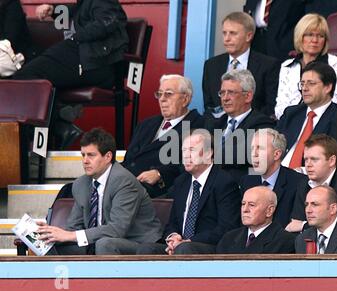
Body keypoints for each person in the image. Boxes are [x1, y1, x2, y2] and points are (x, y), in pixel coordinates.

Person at [13, 0, 129, 148]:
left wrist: (76, 37)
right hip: (84, 58)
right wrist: (53, 10)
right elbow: (78, 12)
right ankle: (58, 127)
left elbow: (107, 21)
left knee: (27, 78)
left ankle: (56, 132)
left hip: (94, 64)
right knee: (29, 78)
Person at [37, 128, 163, 255]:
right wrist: (52, 233)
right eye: (83, 155)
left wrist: (70, 235)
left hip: (138, 243)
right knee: (51, 244)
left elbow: (117, 229)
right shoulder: (81, 184)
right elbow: (74, 227)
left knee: (104, 243)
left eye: (91, 155)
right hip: (99, 241)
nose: (85, 161)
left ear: (108, 156)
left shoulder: (124, 181)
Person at [137, 131, 241, 255]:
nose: (186, 155)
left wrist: (188, 241)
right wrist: (173, 237)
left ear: (208, 153)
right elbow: (172, 223)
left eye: (191, 150)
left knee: (185, 249)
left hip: (209, 247)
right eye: (184, 150)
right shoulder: (182, 182)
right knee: (146, 249)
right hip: (180, 246)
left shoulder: (224, 182)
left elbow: (227, 228)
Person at [122, 74, 202, 198]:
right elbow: (129, 160)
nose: (162, 99)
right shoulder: (146, 124)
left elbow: (190, 165)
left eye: (168, 94)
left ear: (185, 99)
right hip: (127, 181)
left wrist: (159, 173)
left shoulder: (198, 125)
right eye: (159, 94)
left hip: (159, 187)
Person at [202, 11, 280, 117]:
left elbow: (270, 107)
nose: (227, 39)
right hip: (218, 129)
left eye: (233, 33)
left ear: (248, 36)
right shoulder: (211, 65)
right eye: (224, 33)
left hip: (254, 128)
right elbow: (209, 106)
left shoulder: (269, 65)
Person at [205, 69, 275, 182]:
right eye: (222, 93)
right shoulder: (215, 124)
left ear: (248, 96)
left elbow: (245, 154)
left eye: (231, 92)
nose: (225, 98)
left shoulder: (262, 124)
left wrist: (205, 154)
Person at [274, 13, 337, 119]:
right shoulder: (287, 66)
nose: (315, 40)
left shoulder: (333, 63)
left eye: (320, 36)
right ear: (300, 36)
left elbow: (336, 101)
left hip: (326, 122)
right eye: (310, 35)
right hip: (290, 122)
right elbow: (281, 106)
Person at [276, 62, 337, 170]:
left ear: (327, 87)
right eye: (302, 84)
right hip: (278, 173)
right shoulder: (291, 113)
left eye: (311, 83)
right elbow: (273, 145)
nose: (304, 88)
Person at [240, 128, 307, 226]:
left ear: (276, 154)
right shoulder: (247, 181)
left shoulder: (299, 183)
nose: (254, 154)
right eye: (252, 149)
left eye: (260, 148)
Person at [216, 186, 295, 254]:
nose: (245, 210)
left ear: (269, 210)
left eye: (251, 205)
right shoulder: (228, 238)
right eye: (243, 204)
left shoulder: (285, 241)